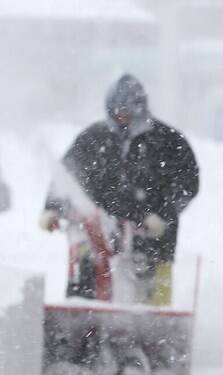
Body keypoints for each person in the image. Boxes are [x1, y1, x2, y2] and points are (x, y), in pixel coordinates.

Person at [40, 73, 199, 306]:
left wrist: (163, 215)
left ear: (140, 108)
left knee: (152, 303)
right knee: (86, 282)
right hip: (99, 234)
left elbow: (188, 184)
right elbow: (67, 176)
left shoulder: (168, 141)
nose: (122, 117)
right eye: (117, 111)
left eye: (127, 111)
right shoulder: (93, 138)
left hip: (154, 241)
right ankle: (84, 328)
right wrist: (53, 208)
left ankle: (152, 336)